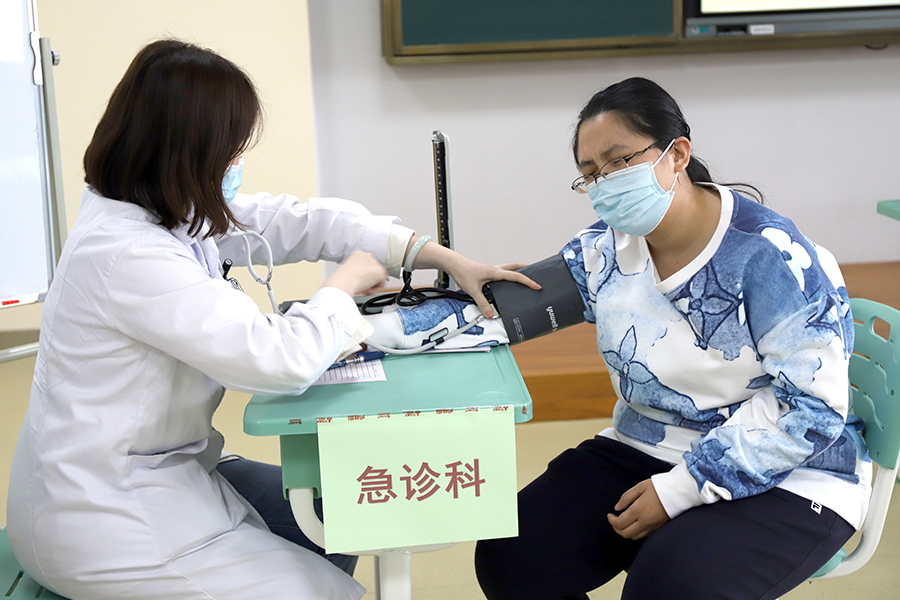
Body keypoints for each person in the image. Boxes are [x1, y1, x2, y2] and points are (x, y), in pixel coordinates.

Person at [5, 39, 536, 600]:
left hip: (165, 469)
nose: (237, 164)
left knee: (337, 508)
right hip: (106, 513)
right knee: (331, 591)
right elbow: (277, 361)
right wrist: (342, 286)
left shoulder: (167, 208)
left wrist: (435, 256)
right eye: (230, 151)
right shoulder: (127, 252)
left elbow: (298, 221)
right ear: (187, 152)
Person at [474, 77, 871, 600]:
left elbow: (812, 411)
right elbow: (509, 306)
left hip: (793, 469)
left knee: (668, 587)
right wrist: (402, 311)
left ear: (677, 153)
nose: (604, 182)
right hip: (650, 445)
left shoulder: (769, 254)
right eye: (590, 174)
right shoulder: (608, 246)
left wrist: (681, 488)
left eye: (619, 161)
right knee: (512, 556)